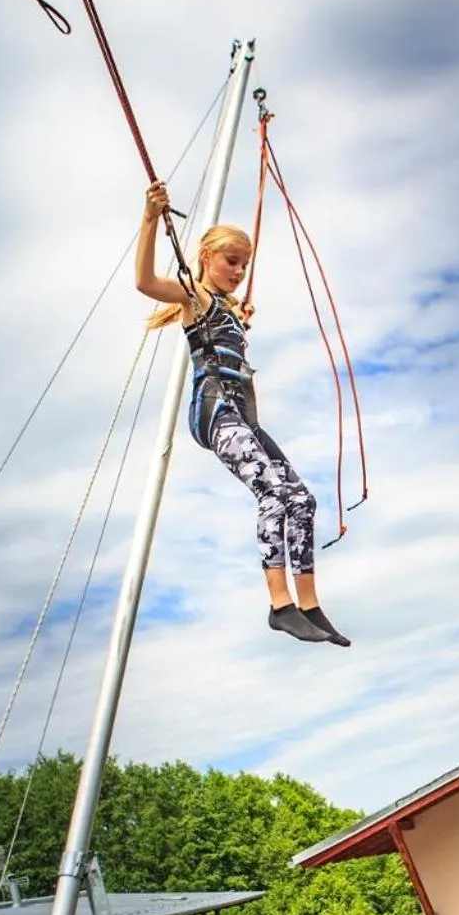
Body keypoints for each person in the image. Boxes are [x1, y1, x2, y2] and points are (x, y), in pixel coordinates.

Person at [135, 181, 349, 646]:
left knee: (303, 499)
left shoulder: (229, 308)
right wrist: (151, 219)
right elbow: (146, 283)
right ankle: (280, 605)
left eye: (244, 265)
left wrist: (236, 313)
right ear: (208, 257)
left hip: (243, 415)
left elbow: (230, 319)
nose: (239, 271)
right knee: (272, 492)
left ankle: (309, 605)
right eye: (232, 262)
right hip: (216, 413)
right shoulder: (196, 297)